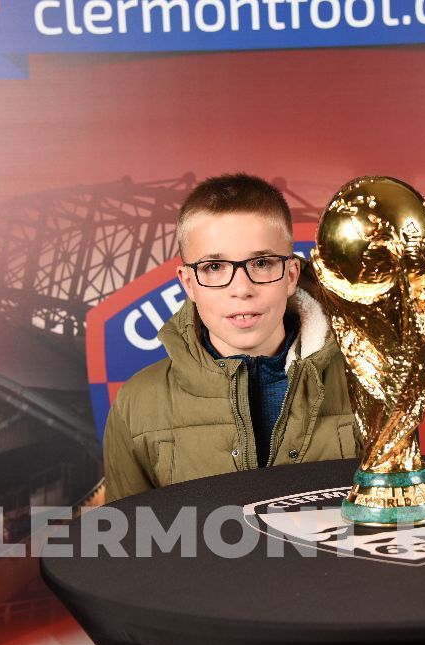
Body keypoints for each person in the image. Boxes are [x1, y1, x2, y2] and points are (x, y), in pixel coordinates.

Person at [102, 173, 358, 502]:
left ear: (291, 275)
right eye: (214, 267)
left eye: (262, 263)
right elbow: (130, 542)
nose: (241, 289)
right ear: (188, 282)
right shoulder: (136, 404)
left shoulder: (365, 384)